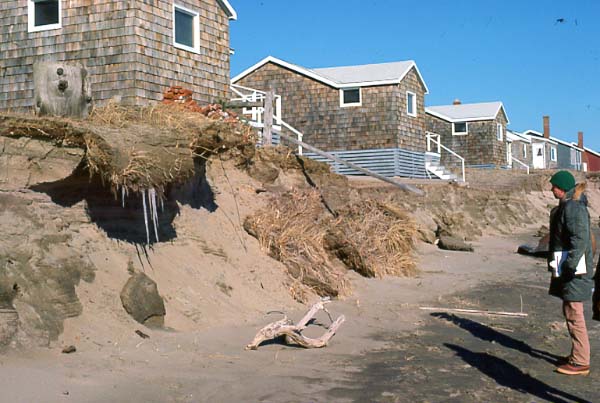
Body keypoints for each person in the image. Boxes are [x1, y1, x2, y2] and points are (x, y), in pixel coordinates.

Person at [547, 170, 594, 376]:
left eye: (554, 186)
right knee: (571, 311)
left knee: (575, 313)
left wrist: (569, 266)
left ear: (562, 188)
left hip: (574, 270)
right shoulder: (570, 205)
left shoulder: (573, 208)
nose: (551, 189)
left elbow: (580, 240)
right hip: (572, 267)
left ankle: (581, 361)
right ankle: (578, 355)